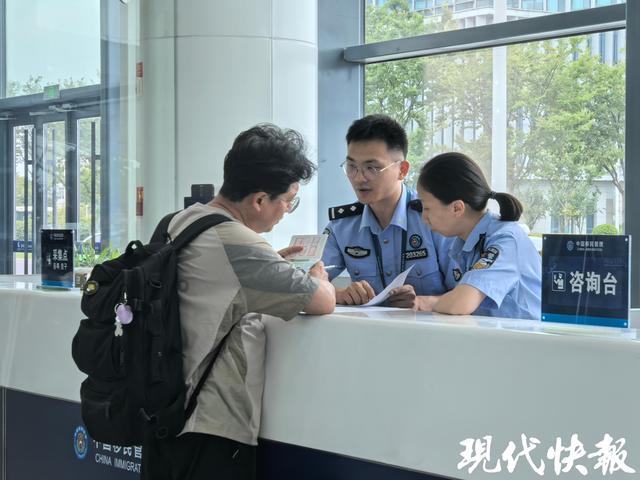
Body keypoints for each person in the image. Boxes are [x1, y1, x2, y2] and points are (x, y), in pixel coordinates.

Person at [141, 124, 335, 480]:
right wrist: (318, 277)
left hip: (163, 414)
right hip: (211, 425)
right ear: (260, 200)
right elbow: (321, 301)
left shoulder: (179, 221)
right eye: (287, 201)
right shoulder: (238, 242)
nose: (286, 210)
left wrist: (269, 264)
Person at [321, 114, 451, 306]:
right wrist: (338, 294)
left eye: (372, 168)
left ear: (402, 170)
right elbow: (308, 282)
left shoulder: (434, 216)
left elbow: (469, 295)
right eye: (352, 166)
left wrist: (423, 302)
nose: (359, 178)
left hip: (433, 325)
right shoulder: (341, 226)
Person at [407, 151, 541, 319]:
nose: (423, 218)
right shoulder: (462, 245)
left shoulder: (505, 240)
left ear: (457, 208)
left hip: (529, 334)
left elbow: (460, 303)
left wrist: (422, 303)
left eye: (426, 208)